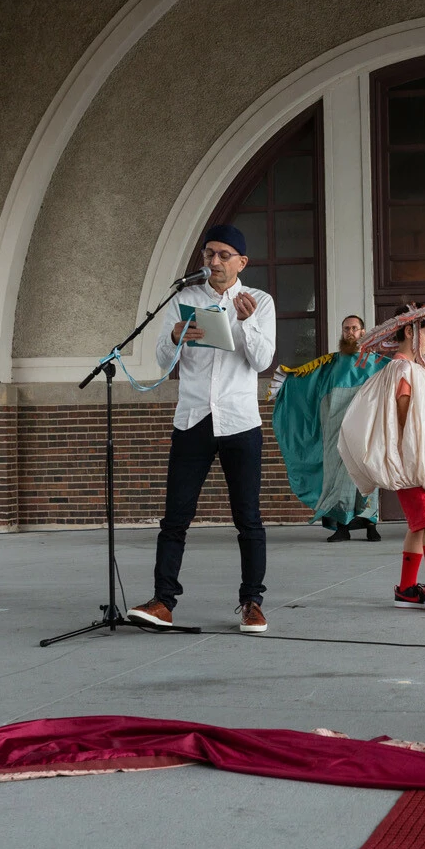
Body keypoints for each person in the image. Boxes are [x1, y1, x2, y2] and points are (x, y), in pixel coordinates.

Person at [126, 223, 275, 633]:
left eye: (224, 255)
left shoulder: (259, 301)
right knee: (175, 517)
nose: (214, 262)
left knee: (248, 517)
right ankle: (163, 602)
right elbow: (161, 358)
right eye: (209, 254)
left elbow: (262, 361)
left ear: (241, 262)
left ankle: (252, 602)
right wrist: (175, 334)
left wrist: (246, 323)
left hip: (239, 420)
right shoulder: (185, 299)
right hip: (192, 418)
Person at [338, 303, 425, 610]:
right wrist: (413, 454)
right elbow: (403, 413)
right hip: (414, 463)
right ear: (408, 332)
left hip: (412, 461)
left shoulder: (408, 369)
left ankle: (406, 588)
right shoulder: (404, 369)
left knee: (418, 524)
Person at [268, 314, 384, 543]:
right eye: (346, 329)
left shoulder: (377, 362)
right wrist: (287, 382)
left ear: (363, 332)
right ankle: (342, 527)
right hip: (335, 433)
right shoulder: (330, 363)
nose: (350, 332)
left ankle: (371, 525)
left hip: (366, 432)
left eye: (354, 328)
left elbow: (398, 376)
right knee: (336, 478)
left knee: (368, 476)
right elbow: (306, 382)